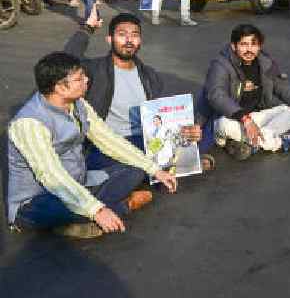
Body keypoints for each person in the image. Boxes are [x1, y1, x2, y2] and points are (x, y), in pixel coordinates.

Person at [7, 52, 177, 239]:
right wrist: (96, 210)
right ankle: (120, 206)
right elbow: (51, 175)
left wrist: (154, 169)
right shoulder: (29, 123)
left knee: (135, 171)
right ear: (60, 88)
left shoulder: (78, 104)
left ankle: (81, 217)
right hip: (38, 199)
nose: (87, 80)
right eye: (79, 78)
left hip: (78, 182)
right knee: (67, 207)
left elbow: (108, 139)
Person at [65, 6, 216, 172]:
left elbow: (161, 119)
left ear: (140, 41)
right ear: (109, 39)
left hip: (147, 140)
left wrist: (187, 131)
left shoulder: (150, 76)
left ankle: (167, 166)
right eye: (122, 35)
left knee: (206, 124)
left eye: (134, 35)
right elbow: (65, 60)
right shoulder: (94, 70)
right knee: (144, 155)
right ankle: (177, 164)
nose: (129, 40)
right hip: (109, 146)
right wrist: (88, 27)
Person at [202, 24, 290, 160]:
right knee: (222, 125)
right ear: (234, 46)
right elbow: (216, 95)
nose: (249, 50)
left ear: (259, 46)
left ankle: (250, 143)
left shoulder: (265, 62)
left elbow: (282, 87)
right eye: (244, 44)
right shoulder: (220, 64)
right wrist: (246, 120)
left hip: (256, 116)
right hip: (232, 118)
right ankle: (282, 142)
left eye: (253, 44)